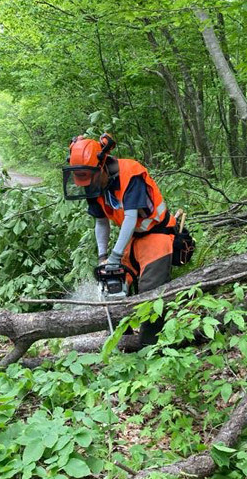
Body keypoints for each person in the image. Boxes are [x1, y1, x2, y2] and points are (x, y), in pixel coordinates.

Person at [62, 134, 176, 345]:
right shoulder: (92, 183)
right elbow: (101, 222)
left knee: (150, 292)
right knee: (111, 285)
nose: (88, 184)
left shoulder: (130, 174)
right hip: (131, 239)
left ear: (102, 165)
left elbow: (131, 218)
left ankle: (151, 346)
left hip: (156, 234)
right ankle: (121, 341)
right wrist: (103, 257)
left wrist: (115, 257)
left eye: (90, 177)